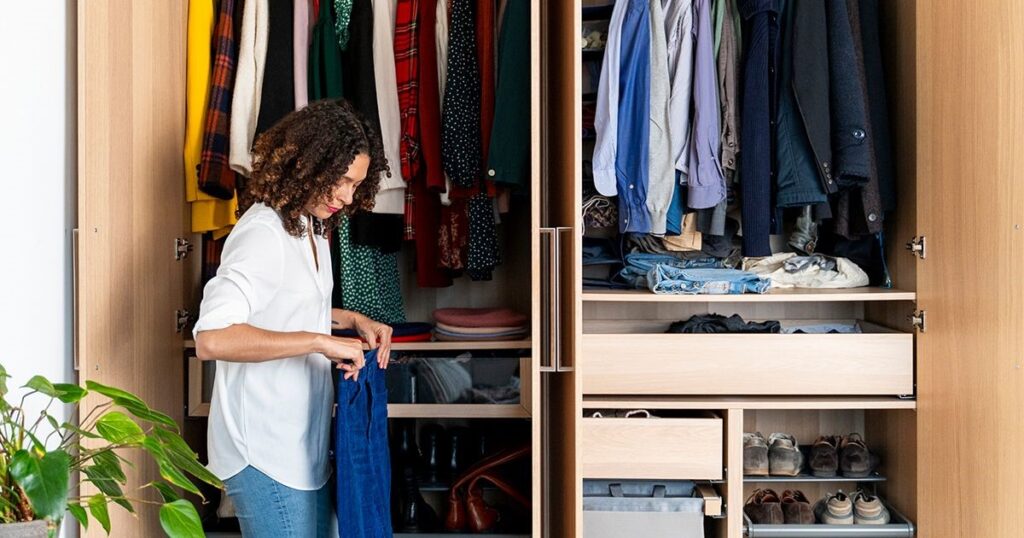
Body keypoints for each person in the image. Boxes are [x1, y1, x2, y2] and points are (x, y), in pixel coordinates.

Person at [193, 99, 394, 536]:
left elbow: (287, 303)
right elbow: (212, 337)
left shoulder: (310, 226)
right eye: (341, 180)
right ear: (307, 164)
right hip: (263, 447)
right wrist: (320, 341)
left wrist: (349, 319)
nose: (347, 196)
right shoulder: (262, 232)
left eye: (357, 185)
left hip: (303, 443)